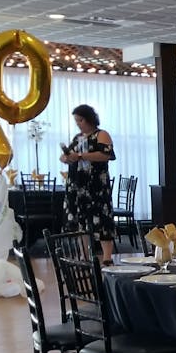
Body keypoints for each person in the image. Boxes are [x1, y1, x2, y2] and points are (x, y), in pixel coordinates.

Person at [60, 104, 116, 265]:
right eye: (76, 121)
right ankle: (83, 255)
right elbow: (66, 156)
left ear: (89, 118)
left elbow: (106, 155)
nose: (78, 123)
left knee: (102, 218)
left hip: (95, 184)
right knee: (80, 220)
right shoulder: (77, 138)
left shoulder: (101, 135)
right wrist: (66, 158)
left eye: (81, 120)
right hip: (77, 184)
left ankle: (107, 257)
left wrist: (81, 156)